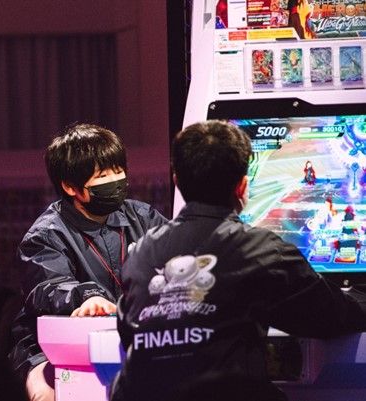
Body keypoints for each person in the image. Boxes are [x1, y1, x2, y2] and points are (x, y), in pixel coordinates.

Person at [111, 120, 366, 401]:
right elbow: (332, 315)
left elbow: (129, 332)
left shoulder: (140, 251)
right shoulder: (261, 249)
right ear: (243, 186)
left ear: (176, 180)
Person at [9, 123, 168, 401]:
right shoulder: (44, 235)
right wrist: (87, 297)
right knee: (47, 395)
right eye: (103, 176)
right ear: (70, 186)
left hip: (133, 337)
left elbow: (177, 255)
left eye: (118, 171)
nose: (115, 180)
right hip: (56, 349)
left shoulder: (143, 217)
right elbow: (48, 287)